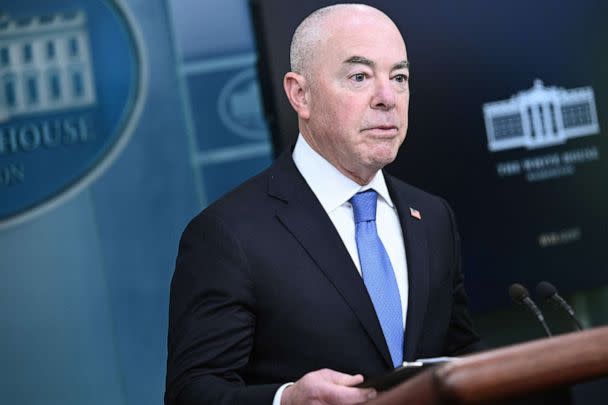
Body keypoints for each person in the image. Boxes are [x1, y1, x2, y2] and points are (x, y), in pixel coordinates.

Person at [165, 4, 479, 405]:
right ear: (301, 94)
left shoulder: (432, 217)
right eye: (360, 76)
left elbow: (460, 357)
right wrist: (288, 400)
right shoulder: (229, 235)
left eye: (399, 77)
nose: (387, 98)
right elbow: (191, 394)